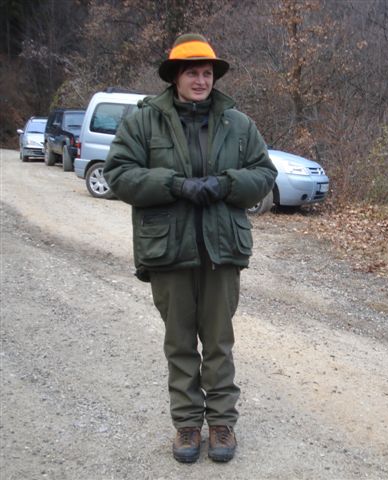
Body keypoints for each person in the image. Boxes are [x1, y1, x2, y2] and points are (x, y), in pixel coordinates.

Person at [103, 33, 277, 464]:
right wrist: (175, 185)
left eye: (207, 73)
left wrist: (225, 184)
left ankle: (221, 423)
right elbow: (119, 174)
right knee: (180, 342)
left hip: (222, 250)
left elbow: (264, 174)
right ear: (175, 77)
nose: (201, 80)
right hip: (168, 250)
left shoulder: (238, 123)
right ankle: (186, 424)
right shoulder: (144, 121)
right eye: (192, 73)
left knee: (218, 343)